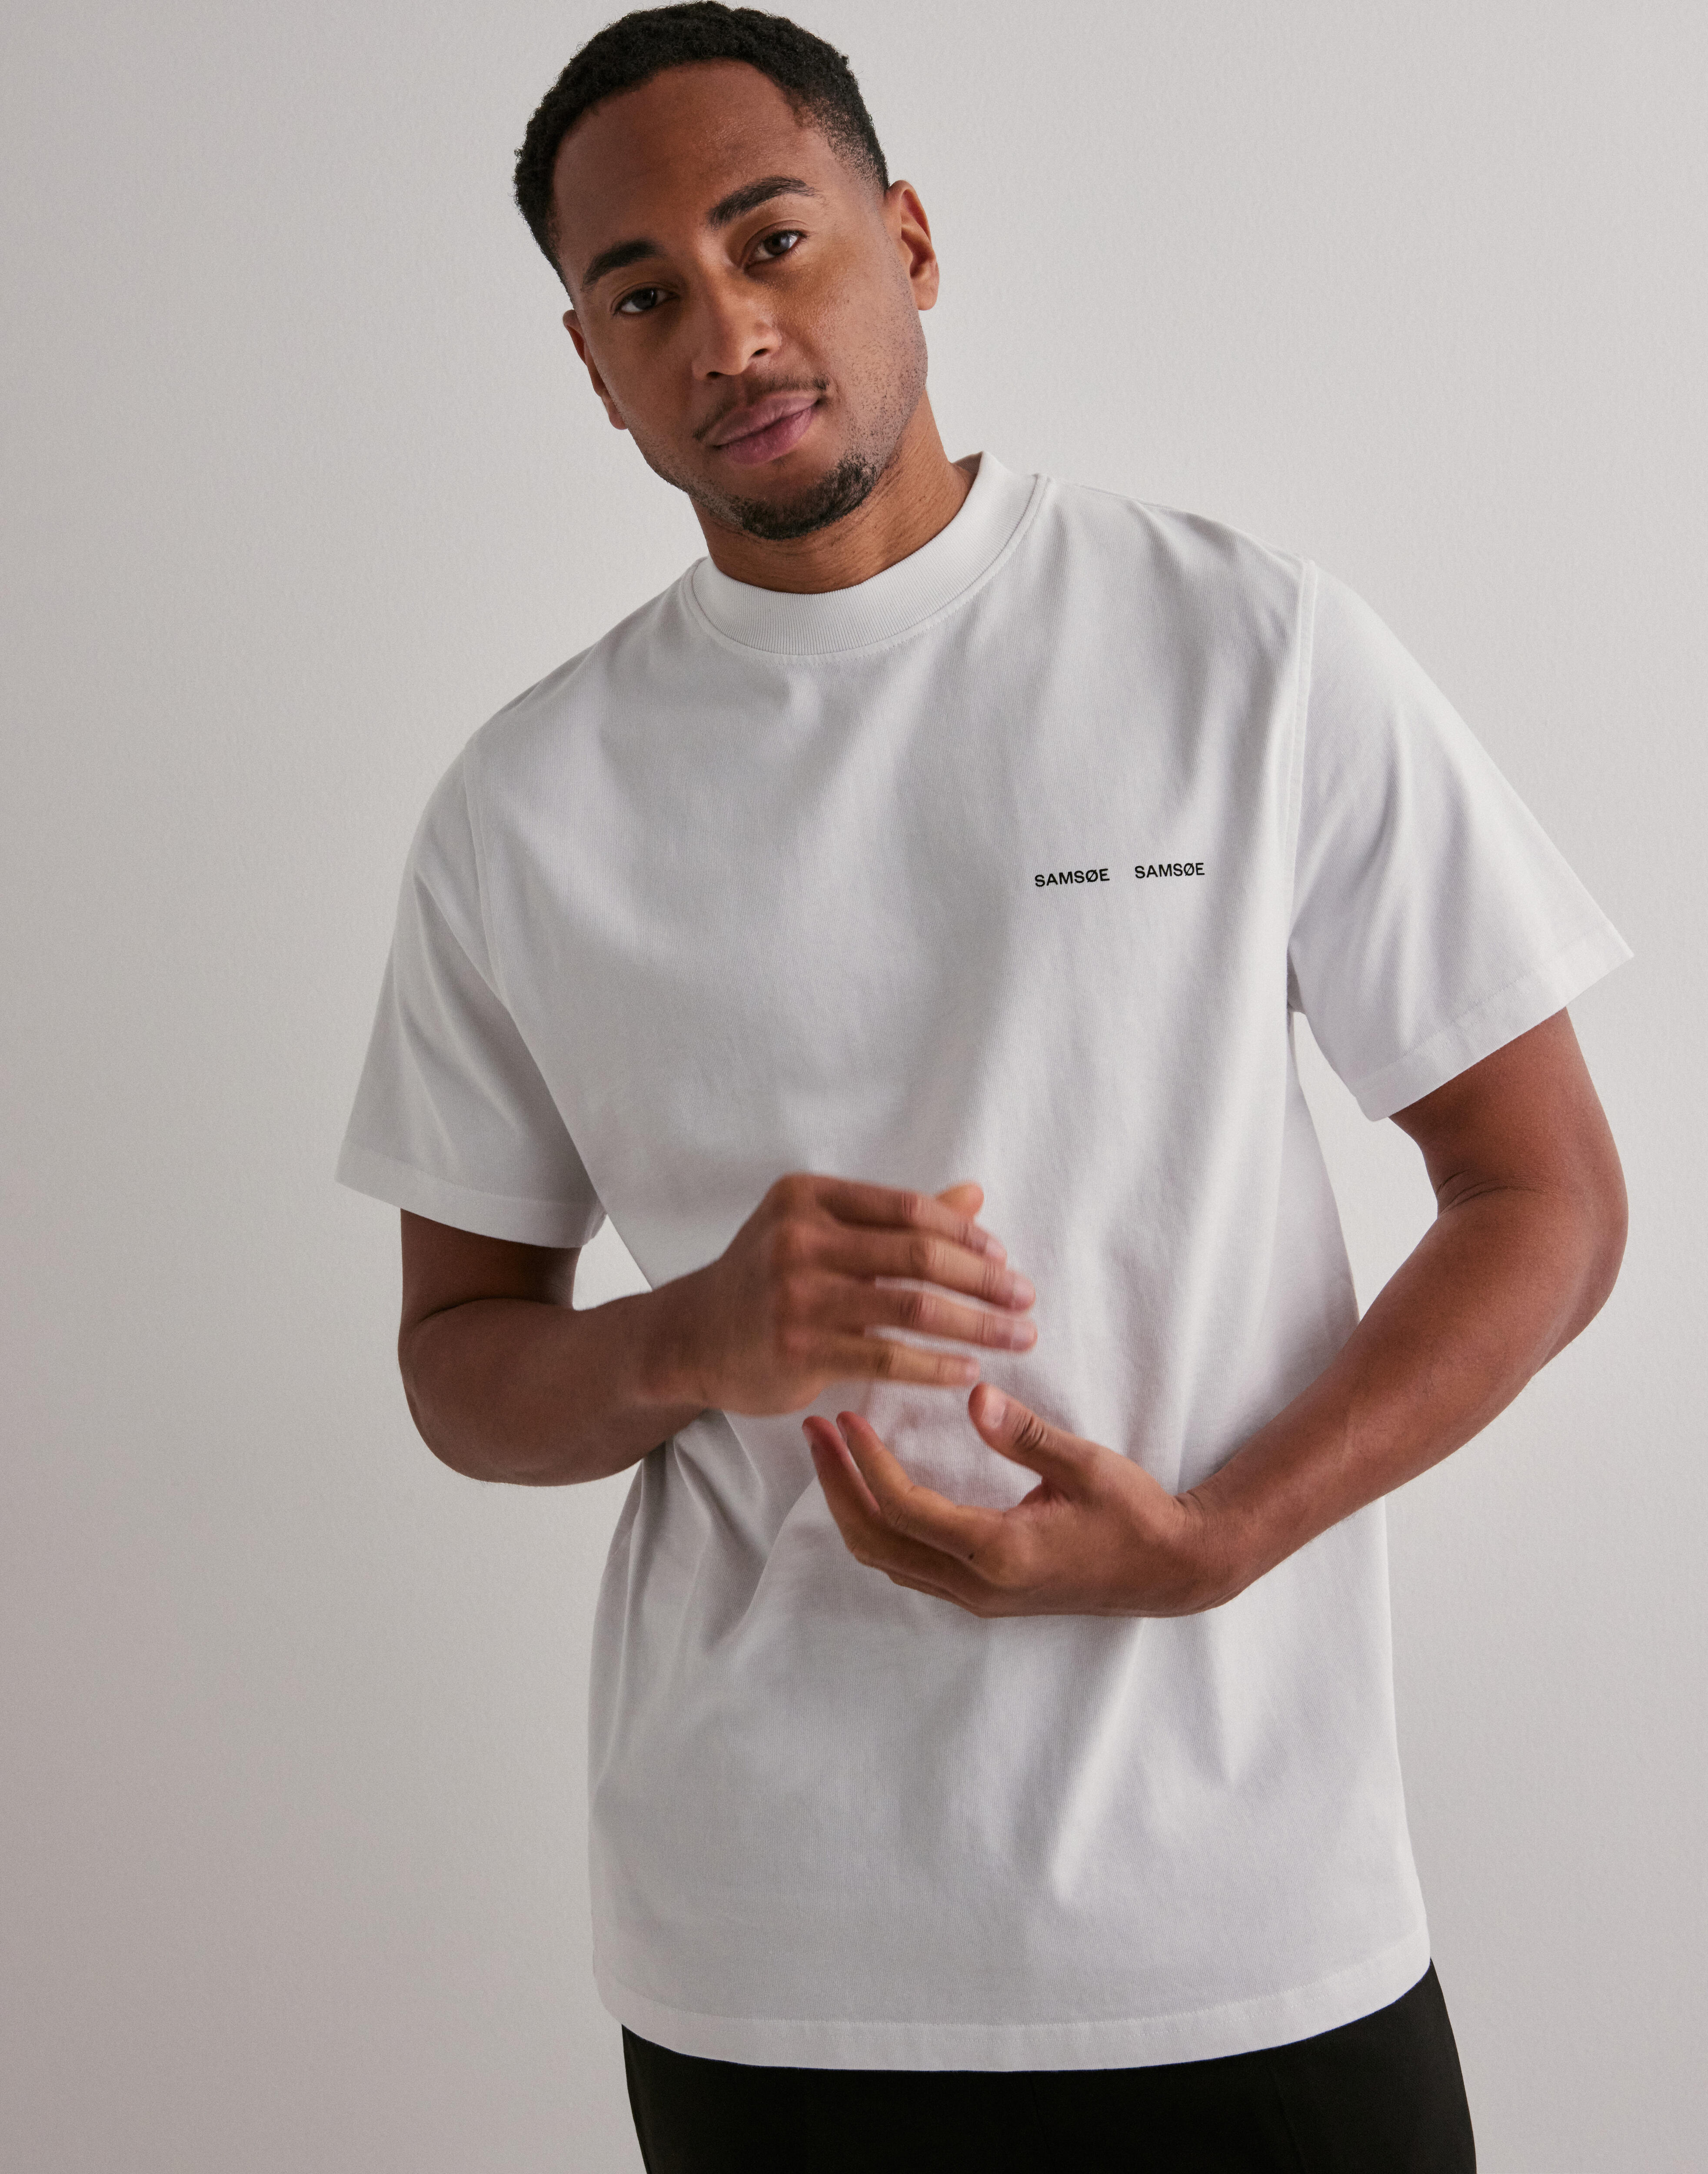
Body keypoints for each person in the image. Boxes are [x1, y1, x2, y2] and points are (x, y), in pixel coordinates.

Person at [335, 7, 1630, 2167]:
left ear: (908, 242)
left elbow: (1545, 1194)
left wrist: (1223, 1535)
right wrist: (687, 1337)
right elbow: (458, 1364)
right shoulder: (525, 805)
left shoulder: (1242, 645)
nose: (726, 331)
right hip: (771, 1957)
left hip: (1244, 1912)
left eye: (771, 240)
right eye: (641, 295)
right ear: (589, 363)